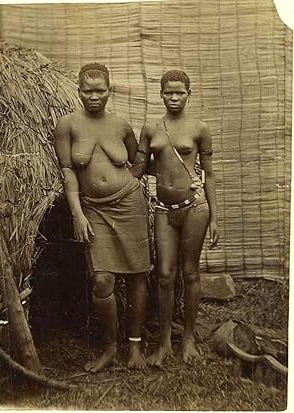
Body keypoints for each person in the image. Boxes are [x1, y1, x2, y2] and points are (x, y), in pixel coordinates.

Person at [54, 63, 151, 373]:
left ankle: (134, 345)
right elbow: (69, 172)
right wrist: (78, 214)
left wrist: (132, 183)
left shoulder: (121, 125)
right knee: (102, 280)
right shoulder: (67, 125)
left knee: (137, 275)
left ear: (109, 91)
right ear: (78, 90)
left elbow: (138, 161)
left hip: (129, 205)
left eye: (100, 90)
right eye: (87, 90)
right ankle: (110, 347)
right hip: (94, 209)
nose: (93, 96)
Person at [132, 70, 219, 366]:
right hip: (164, 210)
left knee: (191, 272)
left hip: (195, 206)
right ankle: (165, 342)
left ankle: (189, 340)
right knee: (165, 275)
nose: (174, 97)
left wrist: (216, 219)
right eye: (169, 92)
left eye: (180, 92)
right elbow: (138, 169)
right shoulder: (151, 128)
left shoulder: (199, 128)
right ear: (161, 94)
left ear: (189, 94)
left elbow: (209, 176)